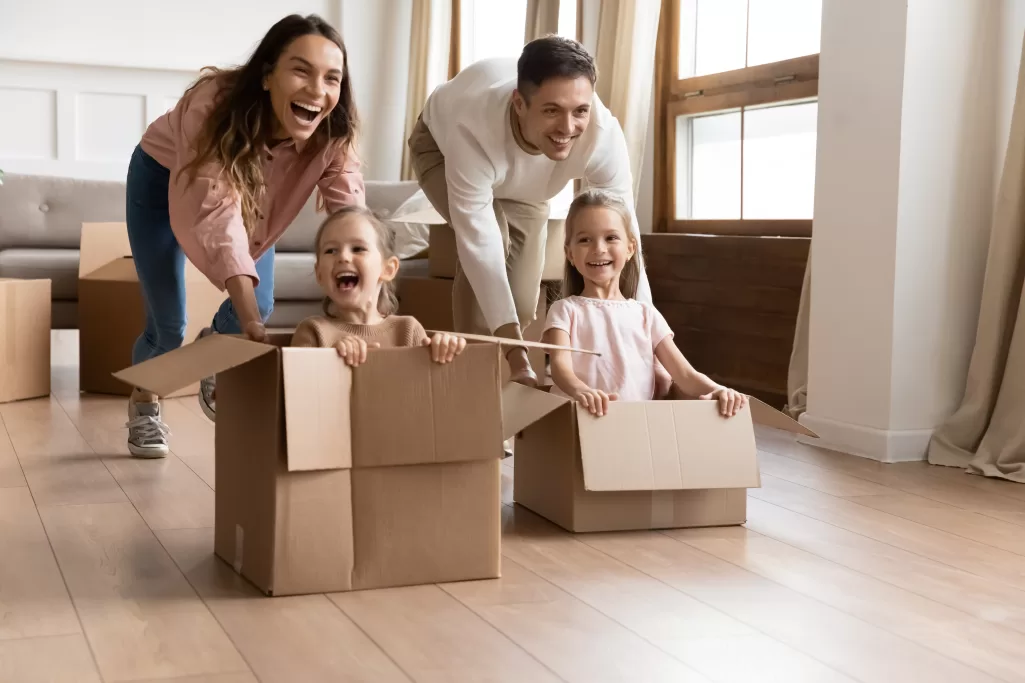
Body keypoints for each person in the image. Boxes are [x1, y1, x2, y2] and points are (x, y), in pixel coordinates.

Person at [124, 14, 365, 458]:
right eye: (301, 70)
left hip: (252, 193)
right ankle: (144, 406)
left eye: (332, 78)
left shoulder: (333, 132)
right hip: (161, 183)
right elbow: (216, 216)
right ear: (268, 74)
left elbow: (351, 213)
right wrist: (249, 325)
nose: (318, 91)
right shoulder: (212, 108)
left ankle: (213, 349)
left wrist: (374, 298)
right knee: (168, 324)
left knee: (262, 302)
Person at [407, 35, 652, 387]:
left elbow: (626, 237)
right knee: (495, 241)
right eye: (551, 110)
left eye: (579, 111)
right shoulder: (471, 127)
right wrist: (516, 357)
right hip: (441, 148)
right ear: (519, 104)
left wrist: (649, 332)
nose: (568, 129)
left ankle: (505, 376)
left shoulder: (602, 135)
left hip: (528, 185)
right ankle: (470, 389)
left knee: (521, 302)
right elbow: (482, 247)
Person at [543, 189, 747, 419]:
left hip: (636, 426)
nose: (598, 248)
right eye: (584, 240)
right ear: (570, 254)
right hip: (580, 421)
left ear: (630, 248)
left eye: (610, 237)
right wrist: (582, 391)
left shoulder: (646, 314)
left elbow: (685, 374)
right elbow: (560, 367)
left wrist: (718, 390)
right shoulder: (564, 310)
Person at [290, 205, 466, 365]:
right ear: (319, 274)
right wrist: (331, 360)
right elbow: (295, 390)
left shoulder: (407, 330)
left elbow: (426, 389)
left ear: (388, 269)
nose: (343, 257)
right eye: (331, 250)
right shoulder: (313, 331)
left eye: (358, 249)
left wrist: (444, 351)